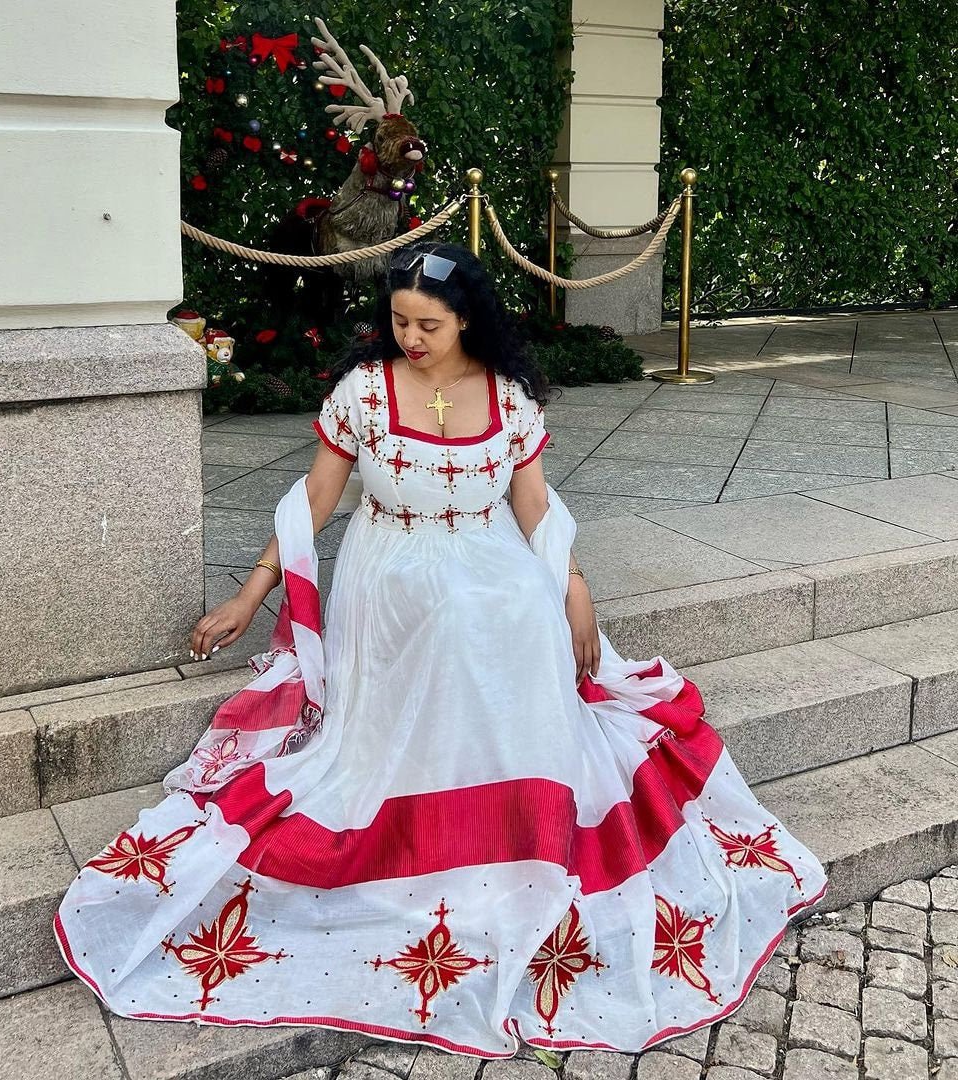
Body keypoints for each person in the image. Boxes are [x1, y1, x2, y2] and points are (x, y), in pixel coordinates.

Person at [54, 242, 826, 1059]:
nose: (410, 336)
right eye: (398, 320)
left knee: (507, 622)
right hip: (389, 575)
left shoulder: (510, 399)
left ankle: (514, 824)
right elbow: (317, 495)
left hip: (495, 565)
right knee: (432, 650)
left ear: (469, 321)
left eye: (429, 323)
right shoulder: (363, 392)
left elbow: (533, 507)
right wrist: (254, 590)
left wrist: (574, 585)